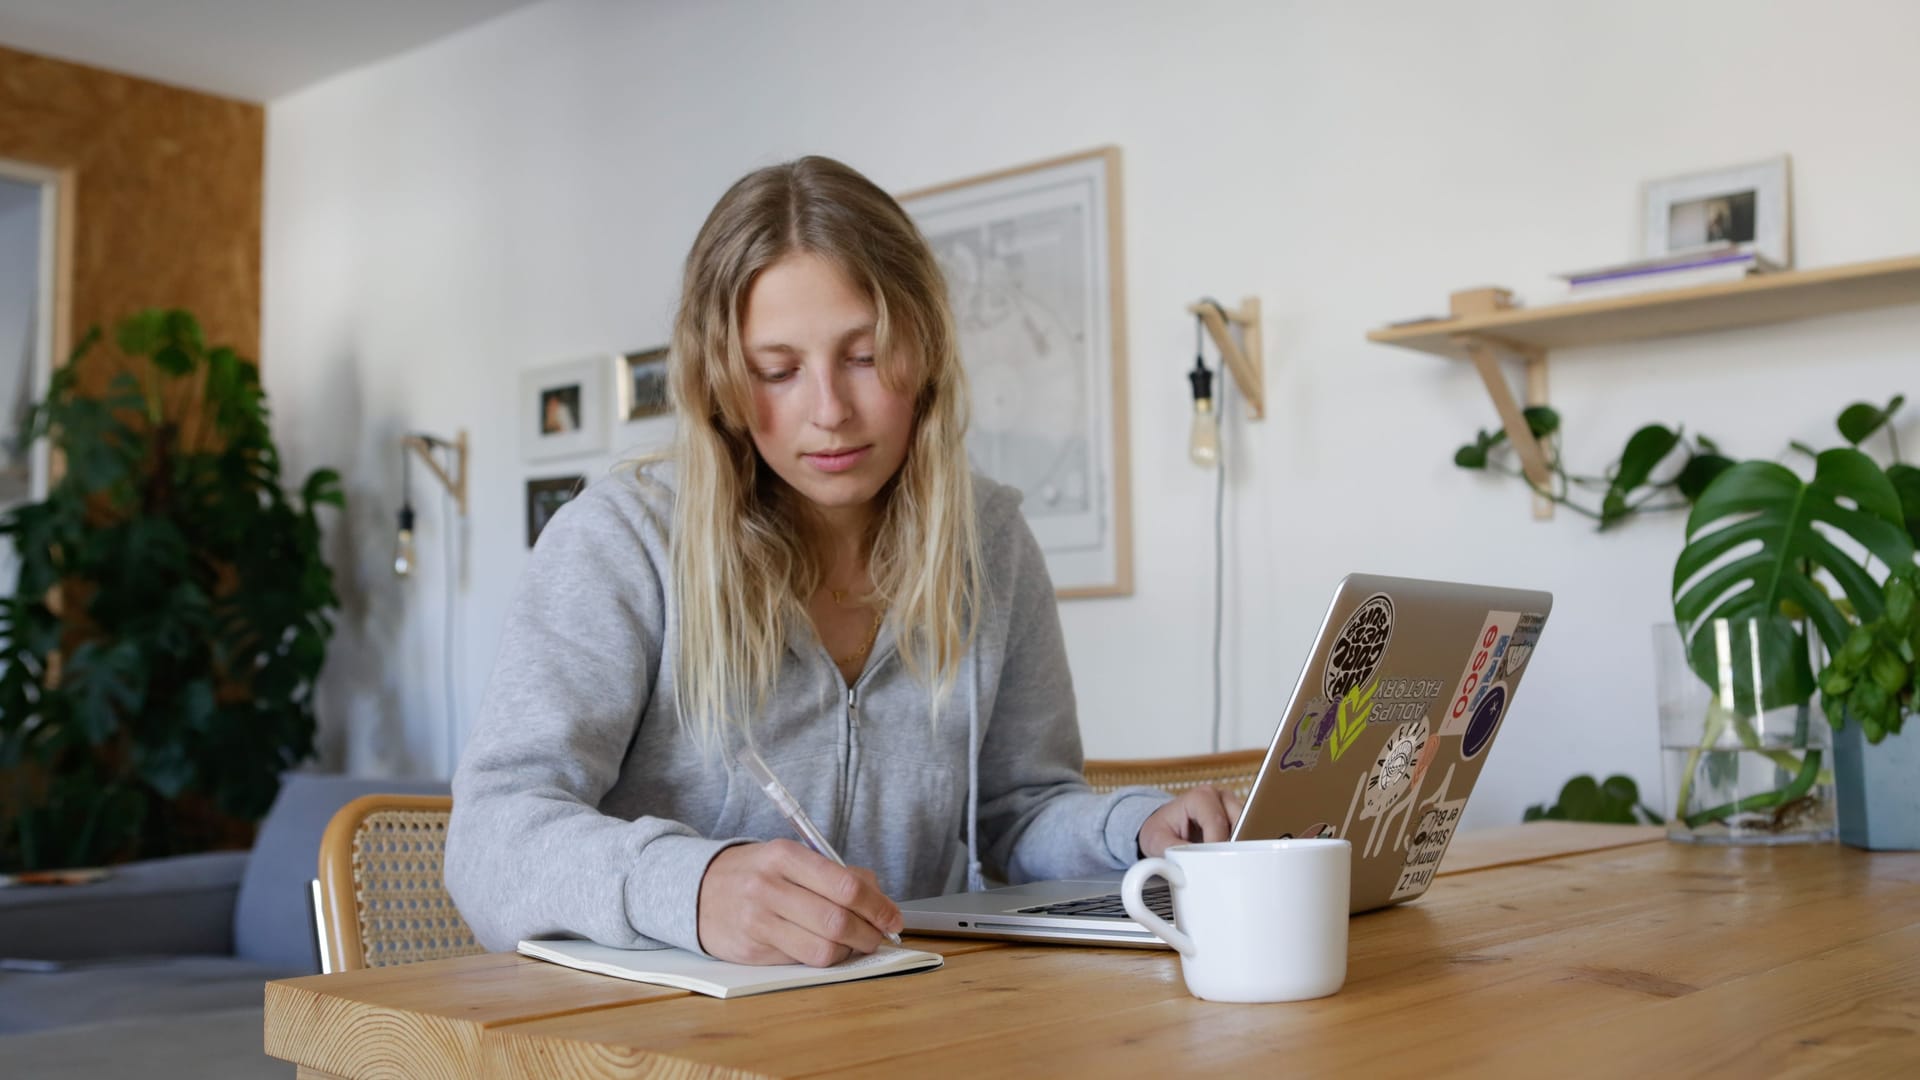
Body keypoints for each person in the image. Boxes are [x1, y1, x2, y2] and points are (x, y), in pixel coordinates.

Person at [446, 156, 1240, 969]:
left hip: (902, 1027)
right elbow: (490, 839)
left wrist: (1134, 832)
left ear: (923, 351)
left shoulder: (990, 543)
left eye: (863, 357)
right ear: (721, 381)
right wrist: (692, 887)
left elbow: (1019, 813)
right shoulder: (623, 541)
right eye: (777, 371)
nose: (829, 411)